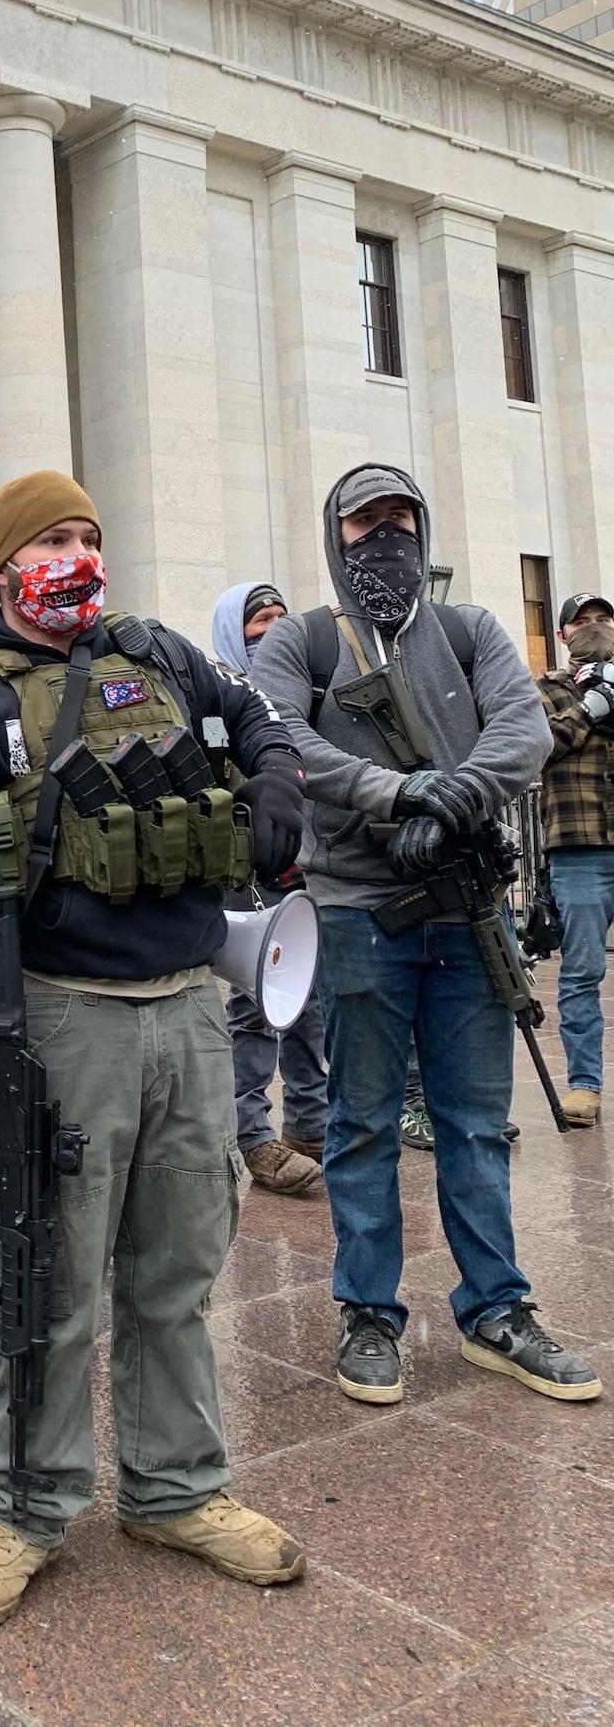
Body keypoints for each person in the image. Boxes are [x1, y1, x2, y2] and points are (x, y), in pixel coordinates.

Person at [0, 469, 310, 1625]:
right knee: (49, 1282)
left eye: (91, 534)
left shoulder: (156, 654)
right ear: (4, 562)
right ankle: (24, 1508)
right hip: (61, 1015)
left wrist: (282, 778)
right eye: (55, 537)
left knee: (177, 1269)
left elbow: (257, 722)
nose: (79, 554)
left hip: (193, 1006)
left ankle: (177, 1489)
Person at [252, 463, 599, 1411]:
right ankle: (369, 1312)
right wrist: (397, 792)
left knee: (475, 1126)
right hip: (358, 912)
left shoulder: (472, 629)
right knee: (361, 1122)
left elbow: (523, 734)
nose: (388, 535)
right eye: (367, 521)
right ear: (337, 534)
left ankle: (498, 1309)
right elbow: (282, 742)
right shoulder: (303, 640)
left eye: (402, 517)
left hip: (463, 909)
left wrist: (450, 806)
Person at [209, 581, 328, 1197]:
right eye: (260, 621)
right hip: (246, 881)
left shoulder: (301, 694)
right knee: (256, 1008)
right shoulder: (218, 699)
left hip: (305, 876)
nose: (274, 630)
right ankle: (250, 1135)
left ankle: (311, 1125)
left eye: (282, 619)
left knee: (310, 1004)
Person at [536, 590, 614, 1128]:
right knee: (583, 969)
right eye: (579, 621)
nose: (592, 626)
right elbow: (538, 745)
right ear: (562, 634)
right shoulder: (544, 689)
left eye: (602, 618)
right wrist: (591, 707)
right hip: (580, 847)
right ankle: (585, 1085)